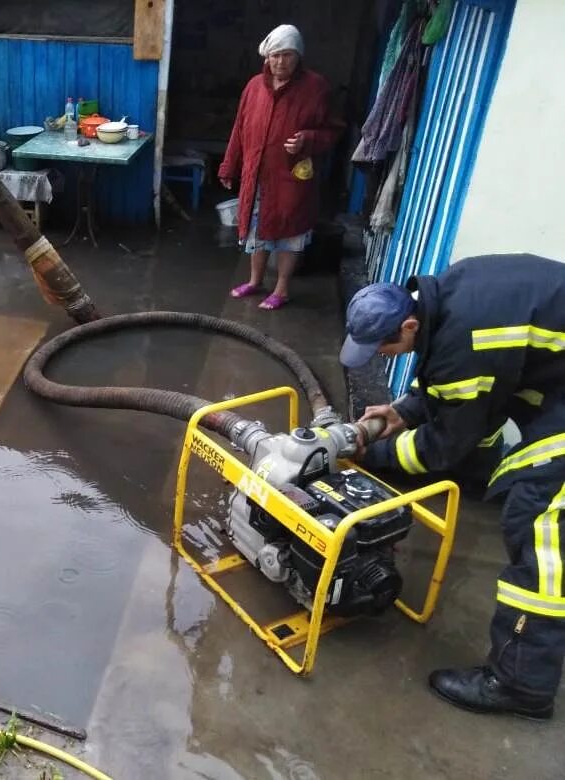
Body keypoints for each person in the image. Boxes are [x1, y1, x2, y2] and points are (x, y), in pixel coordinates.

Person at [340, 254, 565, 720]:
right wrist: (402, 412)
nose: (379, 356)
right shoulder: (451, 297)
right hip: (554, 379)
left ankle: (520, 684)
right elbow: (462, 383)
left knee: (536, 520)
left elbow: (444, 447)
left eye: (381, 347)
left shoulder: (464, 340)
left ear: (407, 325)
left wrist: (370, 455)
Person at [218, 24, 343, 310]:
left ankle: (282, 289)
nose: (280, 62)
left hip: (292, 177)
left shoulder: (316, 88)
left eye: (287, 55)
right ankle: (254, 281)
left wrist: (308, 140)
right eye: (275, 55)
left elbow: (334, 130)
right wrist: (229, 166)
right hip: (257, 175)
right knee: (255, 231)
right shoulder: (253, 87)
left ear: (298, 56)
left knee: (290, 235)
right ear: (267, 58)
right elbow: (240, 128)